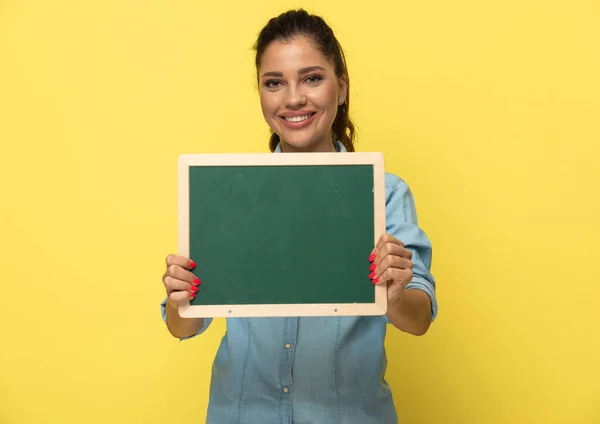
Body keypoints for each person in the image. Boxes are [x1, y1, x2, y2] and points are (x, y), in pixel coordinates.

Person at [160, 9, 437, 424]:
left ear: (340, 88)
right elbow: (181, 326)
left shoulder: (385, 192)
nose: (293, 98)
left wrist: (395, 295)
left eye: (311, 78)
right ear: (260, 94)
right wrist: (182, 298)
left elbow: (418, 320)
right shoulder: (231, 193)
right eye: (274, 83)